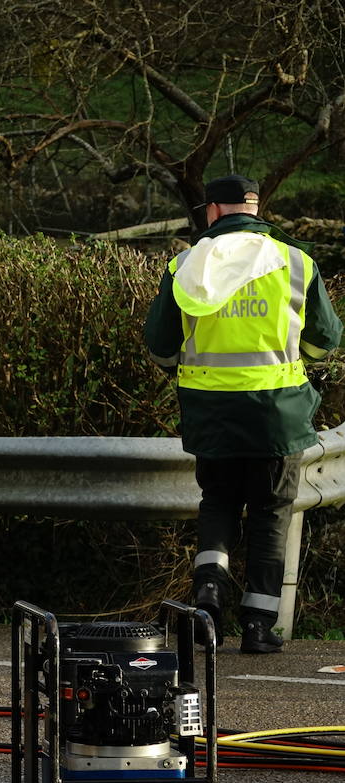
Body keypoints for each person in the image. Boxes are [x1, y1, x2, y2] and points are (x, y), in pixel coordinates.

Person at [145, 174, 341, 653]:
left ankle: (208, 597)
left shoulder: (185, 264)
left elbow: (161, 346)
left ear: (213, 210)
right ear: (256, 207)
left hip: (211, 411)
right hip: (277, 413)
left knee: (219, 504)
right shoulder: (296, 262)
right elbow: (325, 340)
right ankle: (257, 625)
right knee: (271, 514)